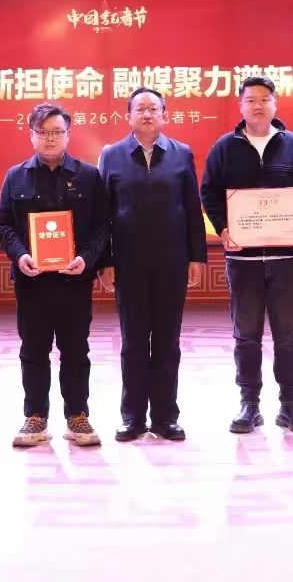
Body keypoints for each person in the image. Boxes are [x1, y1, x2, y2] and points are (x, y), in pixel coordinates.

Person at [201, 75, 293, 435]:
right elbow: (209, 193)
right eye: (251, 100)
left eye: (265, 99)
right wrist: (224, 229)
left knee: (288, 335)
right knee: (247, 336)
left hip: (286, 259)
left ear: (275, 104)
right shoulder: (225, 148)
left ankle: (290, 405)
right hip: (243, 261)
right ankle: (249, 404)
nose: (258, 105)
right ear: (240, 106)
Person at [0, 102, 110, 448]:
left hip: (74, 280)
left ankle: (78, 415)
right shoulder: (16, 176)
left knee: (75, 350)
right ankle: (35, 416)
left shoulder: (88, 175)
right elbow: (4, 224)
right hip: (31, 281)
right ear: (31, 135)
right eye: (43, 132)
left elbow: (102, 225)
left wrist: (86, 259)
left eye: (57, 131)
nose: (50, 138)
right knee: (33, 350)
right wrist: (20, 255)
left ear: (68, 134)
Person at [98, 87, 207, 442]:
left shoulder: (181, 153)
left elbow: (191, 207)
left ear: (164, 115)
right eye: (140, 109)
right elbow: (103, 213)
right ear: (128, 115)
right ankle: (132, 417)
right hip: (128, 262)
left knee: (167, 342)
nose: (147, 114)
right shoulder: (111, 155)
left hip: (171, 261)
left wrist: (196, 255)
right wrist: (105, 260)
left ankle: (164, 417)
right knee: (132, 342)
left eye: (153, 109)